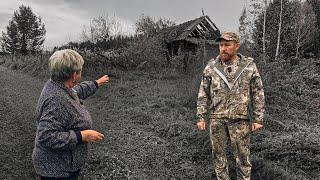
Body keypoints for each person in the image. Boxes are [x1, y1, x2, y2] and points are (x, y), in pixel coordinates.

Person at [196, 32, 265, 180]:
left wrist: (258, 119)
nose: (223, 48)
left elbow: (257, 92)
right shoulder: (211, 67)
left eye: (227, 45)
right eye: (221, 45)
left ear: (236, 46)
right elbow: (203, 93)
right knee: (219, 157)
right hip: (217, 119)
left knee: (243, 158)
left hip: (239, 119)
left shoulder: (248, 66)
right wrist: (201, 116)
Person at [32, 49, 109, 179]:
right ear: (74, 75)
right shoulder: (56, 99)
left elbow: (76, 91)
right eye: (80, 70)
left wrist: (96, 83)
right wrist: (81, 136)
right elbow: (45, 136)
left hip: (62, 166)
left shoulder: (59, 86)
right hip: (57, 170)